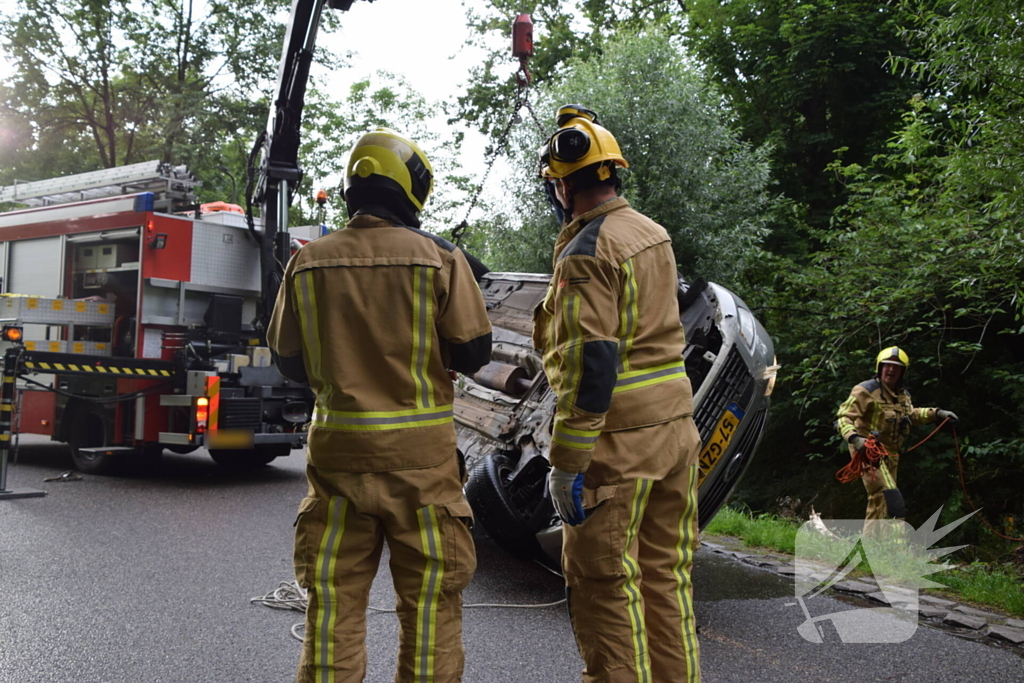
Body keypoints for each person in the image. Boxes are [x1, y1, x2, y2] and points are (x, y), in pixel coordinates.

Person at [267, 128, 492, 683]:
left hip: (338, 463)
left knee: (333, 606)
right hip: (423, 469)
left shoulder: (308, 261)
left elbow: (288, 361)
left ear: (353, 189)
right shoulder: (441, 258)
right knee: (430, 606)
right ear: (412, 189)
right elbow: (474, 353)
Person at [533, 104, 702, 683]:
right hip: (676, 435)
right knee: (666, 580)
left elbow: (592, 365)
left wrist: (567, 463)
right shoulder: (653, 234)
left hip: (619, 446)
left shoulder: (586, 252)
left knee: (605, 584)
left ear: (563, 186)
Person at [836, 346, 958, 531]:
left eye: (896, 367)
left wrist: (938, 413)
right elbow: (843, 417)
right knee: (892, 499)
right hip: (869, 453)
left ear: (902, 372)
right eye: (887, 365)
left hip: (891, 455)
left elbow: (912, 415)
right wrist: (855, 439)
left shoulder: (903, 395)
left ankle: (871, 545)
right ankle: (896, 545)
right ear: (880, 367)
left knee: (878, 500)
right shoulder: (865, 390)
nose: (891, 370)